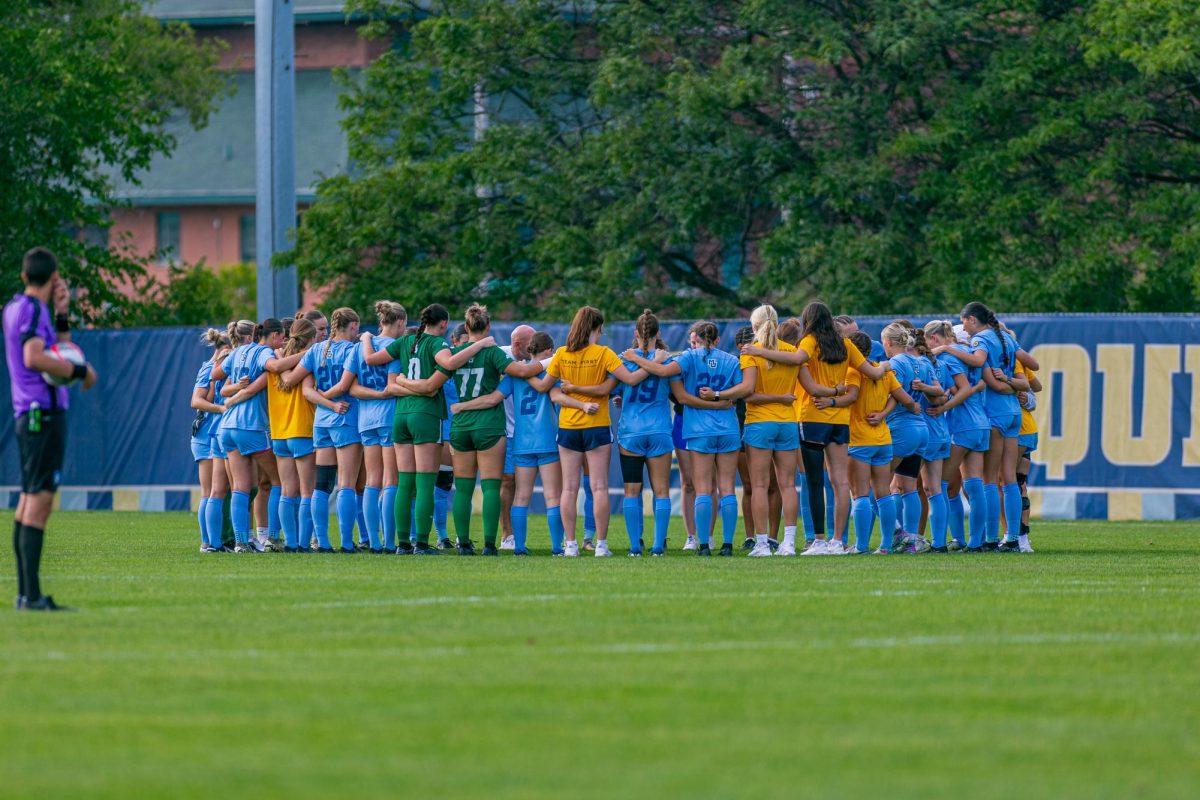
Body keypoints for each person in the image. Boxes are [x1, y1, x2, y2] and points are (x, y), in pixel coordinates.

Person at [742, 301, 891, 554]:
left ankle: (818, 540)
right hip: (840, 420)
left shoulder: (810, 340)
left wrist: (760, 352)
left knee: (813, 481)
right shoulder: (845, 344)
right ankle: (837, 541)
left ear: (808, 320)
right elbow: (874, 374)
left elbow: (798, 359)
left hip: (813, 416)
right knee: (840, 482)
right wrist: (889, 364)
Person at [5, 247, 97, 610]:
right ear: (53, 276)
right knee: (39, 503)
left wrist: (62, 313)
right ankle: (31, 595)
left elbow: (57, 348)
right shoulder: (30, 309)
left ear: (25, 276)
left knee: (29, 501)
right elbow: (35, 356)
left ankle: (26, 594)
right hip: (40, 413)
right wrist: (80, 371)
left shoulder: (17, 307)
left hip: (30, 414)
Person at [360, 303, 493, 554]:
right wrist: (479, 344)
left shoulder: (405, 342)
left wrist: (367, 337)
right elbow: (450, 362)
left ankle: (402, 544)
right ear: (443, 324)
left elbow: (370, 359)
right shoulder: (437, 344)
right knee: (424, 483)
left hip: (401, 415)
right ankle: (421, 542)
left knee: (404, 482)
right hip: (425, 414)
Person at [528, 306, 649, 556]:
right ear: (598, 327)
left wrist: (521, 370)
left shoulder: (561, 353)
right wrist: (654, 363)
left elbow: (544, 387)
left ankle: (570, 544)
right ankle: (601, 545)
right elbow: (632, 379)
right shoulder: (604, 353)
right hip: (596, 425)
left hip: (569, 427)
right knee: (599, 487)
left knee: (569, 488)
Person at [625, 321, 749, 556]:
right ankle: (727, 545)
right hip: (728, 428)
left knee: (702, 488)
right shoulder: (732, 360)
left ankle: (702, 544)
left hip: (699, 429)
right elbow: (743, 390)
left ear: (699, 339)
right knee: (727, 488)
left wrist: (635, 357)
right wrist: (721, 400)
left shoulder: (687, 358)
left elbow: (662, 372)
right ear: (717, 339)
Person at [439, 305, 542, 555]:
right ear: (488, 327)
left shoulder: (455, 352)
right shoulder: (494, 353)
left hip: (461, 425)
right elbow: (523, 370)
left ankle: (463, 543)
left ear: (466, 327)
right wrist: (553, 359)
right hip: (488, 425)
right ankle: (489, 544)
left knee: (462, 489)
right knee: (491, 487)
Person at [283, 308, 362, 553]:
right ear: (351, 327)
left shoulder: (317, 350)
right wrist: (331, 401)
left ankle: (324, 542)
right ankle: (347, 543)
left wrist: (278, 361)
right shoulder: (353, 349)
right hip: (345, 417)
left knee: (322, 484)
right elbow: (347, 384)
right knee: (346, 484)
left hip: (321, 422)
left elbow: (293, 381)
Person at [839, 331, 917, 554]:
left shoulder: (852, 371)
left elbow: (851, 397)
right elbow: (905, 399)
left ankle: (861, 546)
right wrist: (883, 413)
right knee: (883, 492)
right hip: (883, 439)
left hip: (860, 439)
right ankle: (885, 546)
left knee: (860, 494)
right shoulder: (885, 371)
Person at [609, 310, 675, 556]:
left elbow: (614, 387)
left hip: (631, 432)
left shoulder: (623, 358)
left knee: (631, 491)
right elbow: (676, 393)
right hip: (659, 430)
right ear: (658, 334)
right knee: (661, 491)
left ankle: (635, 547)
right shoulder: (667, 360)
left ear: (635, 333)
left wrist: (621, 397)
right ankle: (658, 546)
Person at [738, 306, 802, 556]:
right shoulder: (791, 351)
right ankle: (788, 542)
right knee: (788, 485)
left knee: (760, 486)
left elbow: (748, 393)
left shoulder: (750, 353)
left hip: (759, 423)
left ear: (754, 327)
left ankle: (762, 543)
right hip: (787, 423)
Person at [212, 320, 281, 552]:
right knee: (277, 480)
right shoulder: (264, 352)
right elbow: (273, 367)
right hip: (250, 426)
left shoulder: (238, 352)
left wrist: (235, 387)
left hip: (227, 426)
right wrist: (300, 357)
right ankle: (272, 538)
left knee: (241, 487)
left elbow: (217, 375)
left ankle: (241, 542)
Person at [343, 302, 405, 552]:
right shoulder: (396, 347)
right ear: (400, 322)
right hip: (389, 418)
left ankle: (373, 541)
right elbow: (392, 386)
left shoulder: (359, 347)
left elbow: (352, 387)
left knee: (372, 480)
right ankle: (390, 542)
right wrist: (382, 395)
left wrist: (371, 396)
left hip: (365, 420)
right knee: (391, 480)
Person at [263, 318, 316, 553]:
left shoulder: (275, 359)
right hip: (302, 429)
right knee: (307, 492)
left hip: (279, 433)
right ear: (311, 339)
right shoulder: (307, 360)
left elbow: (281, 377)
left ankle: (291, 542)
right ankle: (304, 542)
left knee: (286, 490)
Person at [191, 329, 231, 552]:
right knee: (212, 491)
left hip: (210, 433)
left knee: (214, 491)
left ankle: (210, 542)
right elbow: (196, 401)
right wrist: (219, 408)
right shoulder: (210, 368)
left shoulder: (217, 369)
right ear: (225, 349)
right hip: (207, 434)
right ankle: (210, 543)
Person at [499, 324, 535, 550]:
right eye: (530, 345)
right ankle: (506, 534)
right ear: (518, 344)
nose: (534, 349)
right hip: (504, 431)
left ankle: (564, 540)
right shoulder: (499, 354)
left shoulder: (535, 361)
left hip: (530, 432)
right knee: (506, 481)